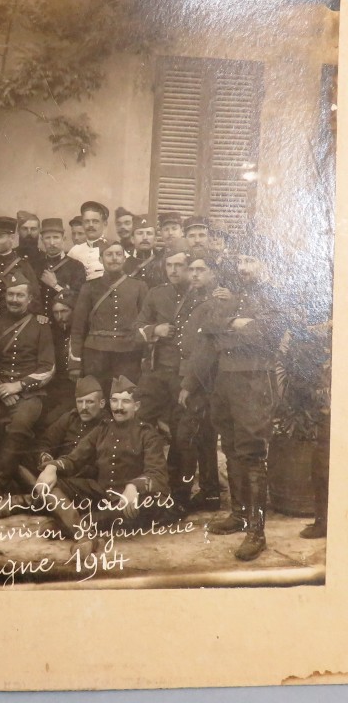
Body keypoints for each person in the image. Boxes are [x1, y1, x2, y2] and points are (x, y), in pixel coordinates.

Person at [188, 234, 284, 561]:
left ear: (265, 264)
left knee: (252, 452)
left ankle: (257, 532)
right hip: (225, 379)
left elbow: (266, 333)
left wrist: (237, 329)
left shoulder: (274, 295)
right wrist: (237, 324)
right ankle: (239, 514)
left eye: (250, 262)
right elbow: (211, 326)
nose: (243, 268)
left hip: (254, 380)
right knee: (229, 446)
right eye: (241, 261)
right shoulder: (233, 295)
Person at [32, 375, 169, 542]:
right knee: (51, 483)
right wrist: (52, 467)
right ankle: (78, 528)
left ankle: (69, 526)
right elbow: (74, 460)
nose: (118, 408)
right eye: (114, 401)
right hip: (101, 493)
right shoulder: (101, 429)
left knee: (131, 509)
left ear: (137, 406)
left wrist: (134, 485)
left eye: (125, 402)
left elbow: (158, 475)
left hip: (129, 499)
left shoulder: (148, 434)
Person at [0, 271, 55, 514]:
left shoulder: (41, 325)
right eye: (11, 294)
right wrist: (0, 389)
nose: (14, 299)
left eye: (20, 295)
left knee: (19, 426)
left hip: (30, 393)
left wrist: (18, 386)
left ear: (29, 299)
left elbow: (48, 368)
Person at [134, 239, 200, 514]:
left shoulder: (200, 296)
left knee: (183, 437)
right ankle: (140, 484)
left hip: (185, 376)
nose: (174, 270)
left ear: (189, 268)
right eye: (169, 265)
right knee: (139, 424)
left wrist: (191, 380)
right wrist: (154, 330)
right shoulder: (155, 294)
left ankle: (180, 493)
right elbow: (136, 328)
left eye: (180, 265)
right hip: (156, 373)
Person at [69, 241, 148, 396]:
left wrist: (145, 358)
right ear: (100, 259)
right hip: (95, 355)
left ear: (124, 259)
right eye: (109, 254)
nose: (114, 258)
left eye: (118, 254)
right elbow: (78, 328)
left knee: (125, 396)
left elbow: (145, 324)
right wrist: (75, 362)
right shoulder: (89, 287)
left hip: (128, 354)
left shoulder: (139, 286)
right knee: (97, 396)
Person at [177, 249, 224, 512]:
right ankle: (210, 493)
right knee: (202, 436)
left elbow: (205, 348)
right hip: (197, 374)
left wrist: (188, 383)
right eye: (191, 269)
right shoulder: (193, 297)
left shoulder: (215, 301)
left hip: (205, 379)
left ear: (213, 273)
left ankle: (197, 495)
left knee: (192, 436)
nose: (194, 274)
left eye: (200, 270)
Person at [31, 374, 108, 472]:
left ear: (101, 403)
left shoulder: (106, 425)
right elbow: (46, 442)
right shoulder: (71, 417)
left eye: (89, 402)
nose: (84, 407)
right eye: (80, 402)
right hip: (55, 469)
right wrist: (46, 457)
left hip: (83, 476)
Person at [40, 290, 78, 427]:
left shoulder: (82, 332)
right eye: (56, 313)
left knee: (52, 419)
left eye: (64, 311)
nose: (60, 317)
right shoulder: (50, 332)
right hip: (54, 385)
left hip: (75, 387)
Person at [35, 217, 86, 316]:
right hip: (41, 320)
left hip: (64, 321)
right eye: (48, 238)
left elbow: (78, 298)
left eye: (56, 237)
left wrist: (55, 285)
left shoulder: (76, 266)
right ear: (42, 240)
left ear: (64, 239)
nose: (52, 243)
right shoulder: (37, 265)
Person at [67, 201, 110, 281]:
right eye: (87, 221)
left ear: (105, 224)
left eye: (95, 221)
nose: (91, 225)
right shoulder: (74, 251)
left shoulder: (113, 248)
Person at [124, 215, 164, 288]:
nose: (145, 238)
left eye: (149, 233)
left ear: (155, 240)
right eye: (140, 233)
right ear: (132, 239)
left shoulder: (163, 260)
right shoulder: (123, 259)